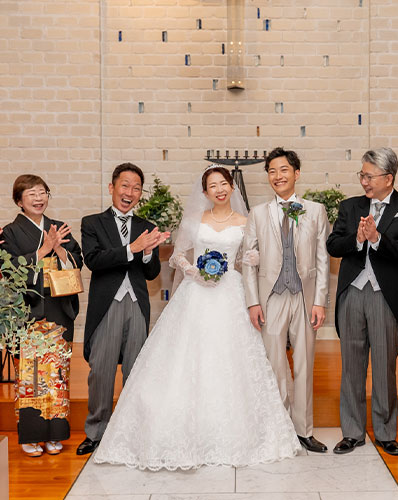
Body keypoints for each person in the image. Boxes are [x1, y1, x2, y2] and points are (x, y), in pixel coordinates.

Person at [93, 165, 300, 470]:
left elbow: (246, 261)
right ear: (204, 192)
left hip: (230, 294)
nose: (219, 190)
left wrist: (251, 259)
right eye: (212, 186)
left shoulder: (245, 222)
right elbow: (178, 255)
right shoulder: (194, 221)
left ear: (232, 187)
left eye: (223, 184)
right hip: (196, 293)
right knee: (186, 358)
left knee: (231, 359)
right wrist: (192, 270)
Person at [327, 147, 398, 456]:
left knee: (384, 367)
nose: (364, 181)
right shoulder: (350, 206)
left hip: (384, 296)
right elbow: (333, 245)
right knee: (351, 368)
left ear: (388, 178)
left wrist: (377, 239)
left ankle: (385, 432)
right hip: (352, 293)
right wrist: (357, 239)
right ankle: (352, 433)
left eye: (369, 176)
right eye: (362, 175)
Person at [243, 147, 330, 453]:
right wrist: (253, 302)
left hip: (305, 297)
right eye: (272, 171)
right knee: (274, 365)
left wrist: (320, 301)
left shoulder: (316, 211)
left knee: (305, 364)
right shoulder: (257, 214)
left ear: (296, 174)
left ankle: (304, 430)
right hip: (271, 298)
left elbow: (322, 259)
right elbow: (248, 261)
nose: (277, 176)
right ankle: (279, 429)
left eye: (283, 170)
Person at [77, 163, 167, 455]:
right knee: (101, 371)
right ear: (112, 188)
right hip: (108, 304)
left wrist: (148, 252)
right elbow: (94, 260)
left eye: (136, 188)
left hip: (137, 303)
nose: (130, 192)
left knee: (136, 370)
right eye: (125, 186)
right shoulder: (92, 223)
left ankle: (132, 431)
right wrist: (133, 248)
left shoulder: (146, 226)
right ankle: (96, 432)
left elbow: (152, 274)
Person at [1, 174, 83, 457]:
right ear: (19, 201)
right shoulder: (10, 232)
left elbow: (77, 262)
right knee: (31, 376)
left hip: (58, 310)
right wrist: (44, 250)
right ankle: (32, 435)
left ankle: (55, 433)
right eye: (31, 194)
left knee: (57, 374)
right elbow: (9, 270)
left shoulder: (58, 227)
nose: (38, 198)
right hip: (28, 314)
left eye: (42, 192)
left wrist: (59, 250)